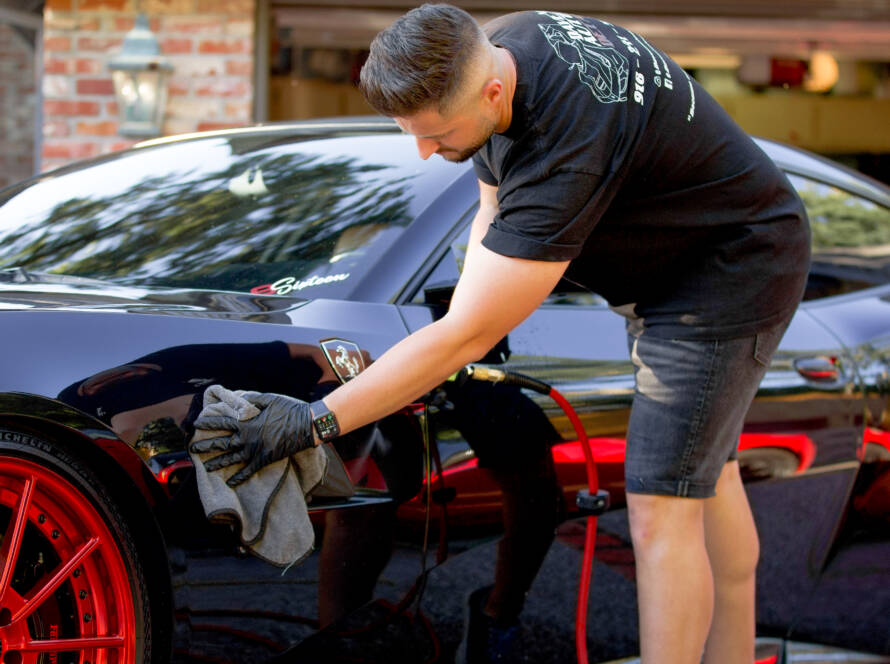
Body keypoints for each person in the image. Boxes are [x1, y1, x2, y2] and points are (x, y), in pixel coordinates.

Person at [193, 4, 811, 663]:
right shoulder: (501, 44)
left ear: (492, 92)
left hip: (727, 274)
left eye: (436, 134)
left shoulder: (563, 150)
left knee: (662, 504)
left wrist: (313, 422)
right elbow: (491, 203)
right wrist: (473, 299)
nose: (423, 151)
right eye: (410, 132)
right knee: (704, 473)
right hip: (680, 265)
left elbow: (463, 336)